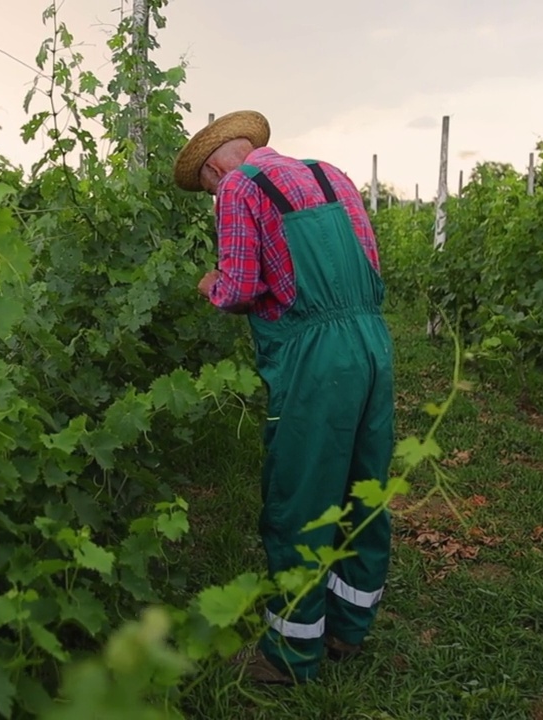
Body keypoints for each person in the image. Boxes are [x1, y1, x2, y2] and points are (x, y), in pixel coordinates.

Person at [172, 110, 396, 685]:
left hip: (315, 358)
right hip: (372, 343)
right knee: (363, 486)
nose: (215, 196)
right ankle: (350, 626)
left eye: (208, 188)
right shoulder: (331, 174)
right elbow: (371, 266)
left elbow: (242, 287)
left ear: (219, 167)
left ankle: (290, 654)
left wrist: (211, 287)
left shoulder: (239, 188)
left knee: (300, 496)